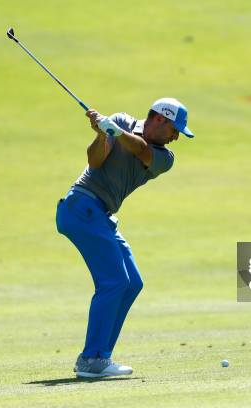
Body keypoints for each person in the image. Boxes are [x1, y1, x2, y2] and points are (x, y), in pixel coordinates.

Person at [55, 97, 194, 378]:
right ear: (160, 120)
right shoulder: (119, 121)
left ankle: (100, 357)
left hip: (100, 215)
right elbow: (95, 161)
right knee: (114, 282)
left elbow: (141, 149)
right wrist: (101, 134)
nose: (176, 137)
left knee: (132, 283)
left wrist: (115, 132)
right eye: (175, 129)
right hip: (81, 207)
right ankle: (92, 360)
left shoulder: (164, 158)